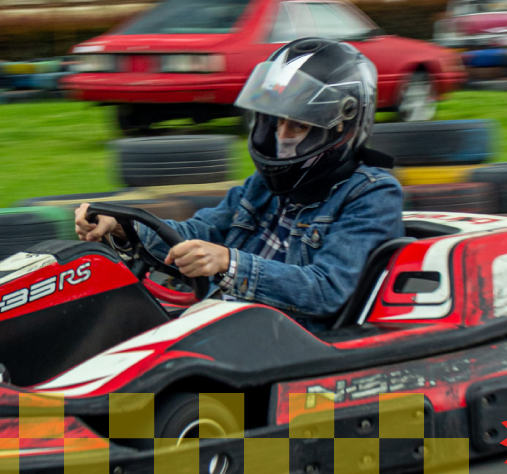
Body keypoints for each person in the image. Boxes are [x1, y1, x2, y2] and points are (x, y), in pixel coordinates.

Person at [76, 38, 403, 330]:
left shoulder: (371, 194)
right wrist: (123, 227)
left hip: (294, 348)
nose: (281, 138)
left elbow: (327, 290)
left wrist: (229, 263)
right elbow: (196, 235)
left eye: (298, 126)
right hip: (227, 325)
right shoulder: (262, 188)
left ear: (340, 128)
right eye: (276, 122)